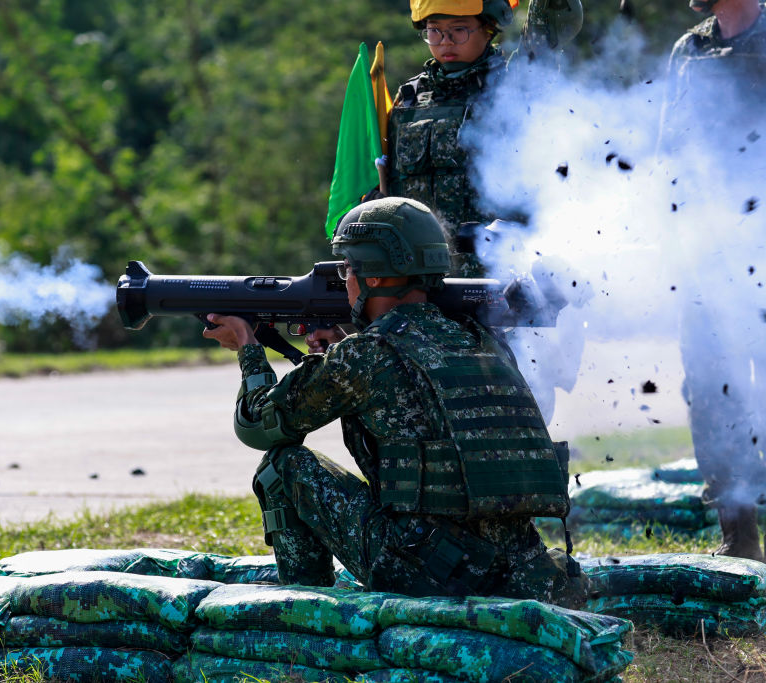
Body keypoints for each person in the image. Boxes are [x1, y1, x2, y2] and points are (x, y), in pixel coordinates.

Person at [203, 197, 589, 607]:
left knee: (281, 467)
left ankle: (308, 613)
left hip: (427, 575)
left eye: (348, 268)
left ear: (372, 276)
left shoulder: (366, 356)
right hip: (521, 573)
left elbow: (257, 426)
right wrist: (346, 351)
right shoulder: (483, 339)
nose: (345, 279)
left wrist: (247, 346)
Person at [660, 0, 766, 561]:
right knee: (712, 390)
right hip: (705, 253)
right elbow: (669, 151)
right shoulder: (690, 48)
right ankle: (739, 535)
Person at [383, 0, 582, 276]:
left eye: (459, 30)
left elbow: (553, 18)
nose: (445, 42)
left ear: (488, 29)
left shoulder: (515, 85)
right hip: (420, 279)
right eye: (434, 31)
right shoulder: (409, 99)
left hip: (498, 275)